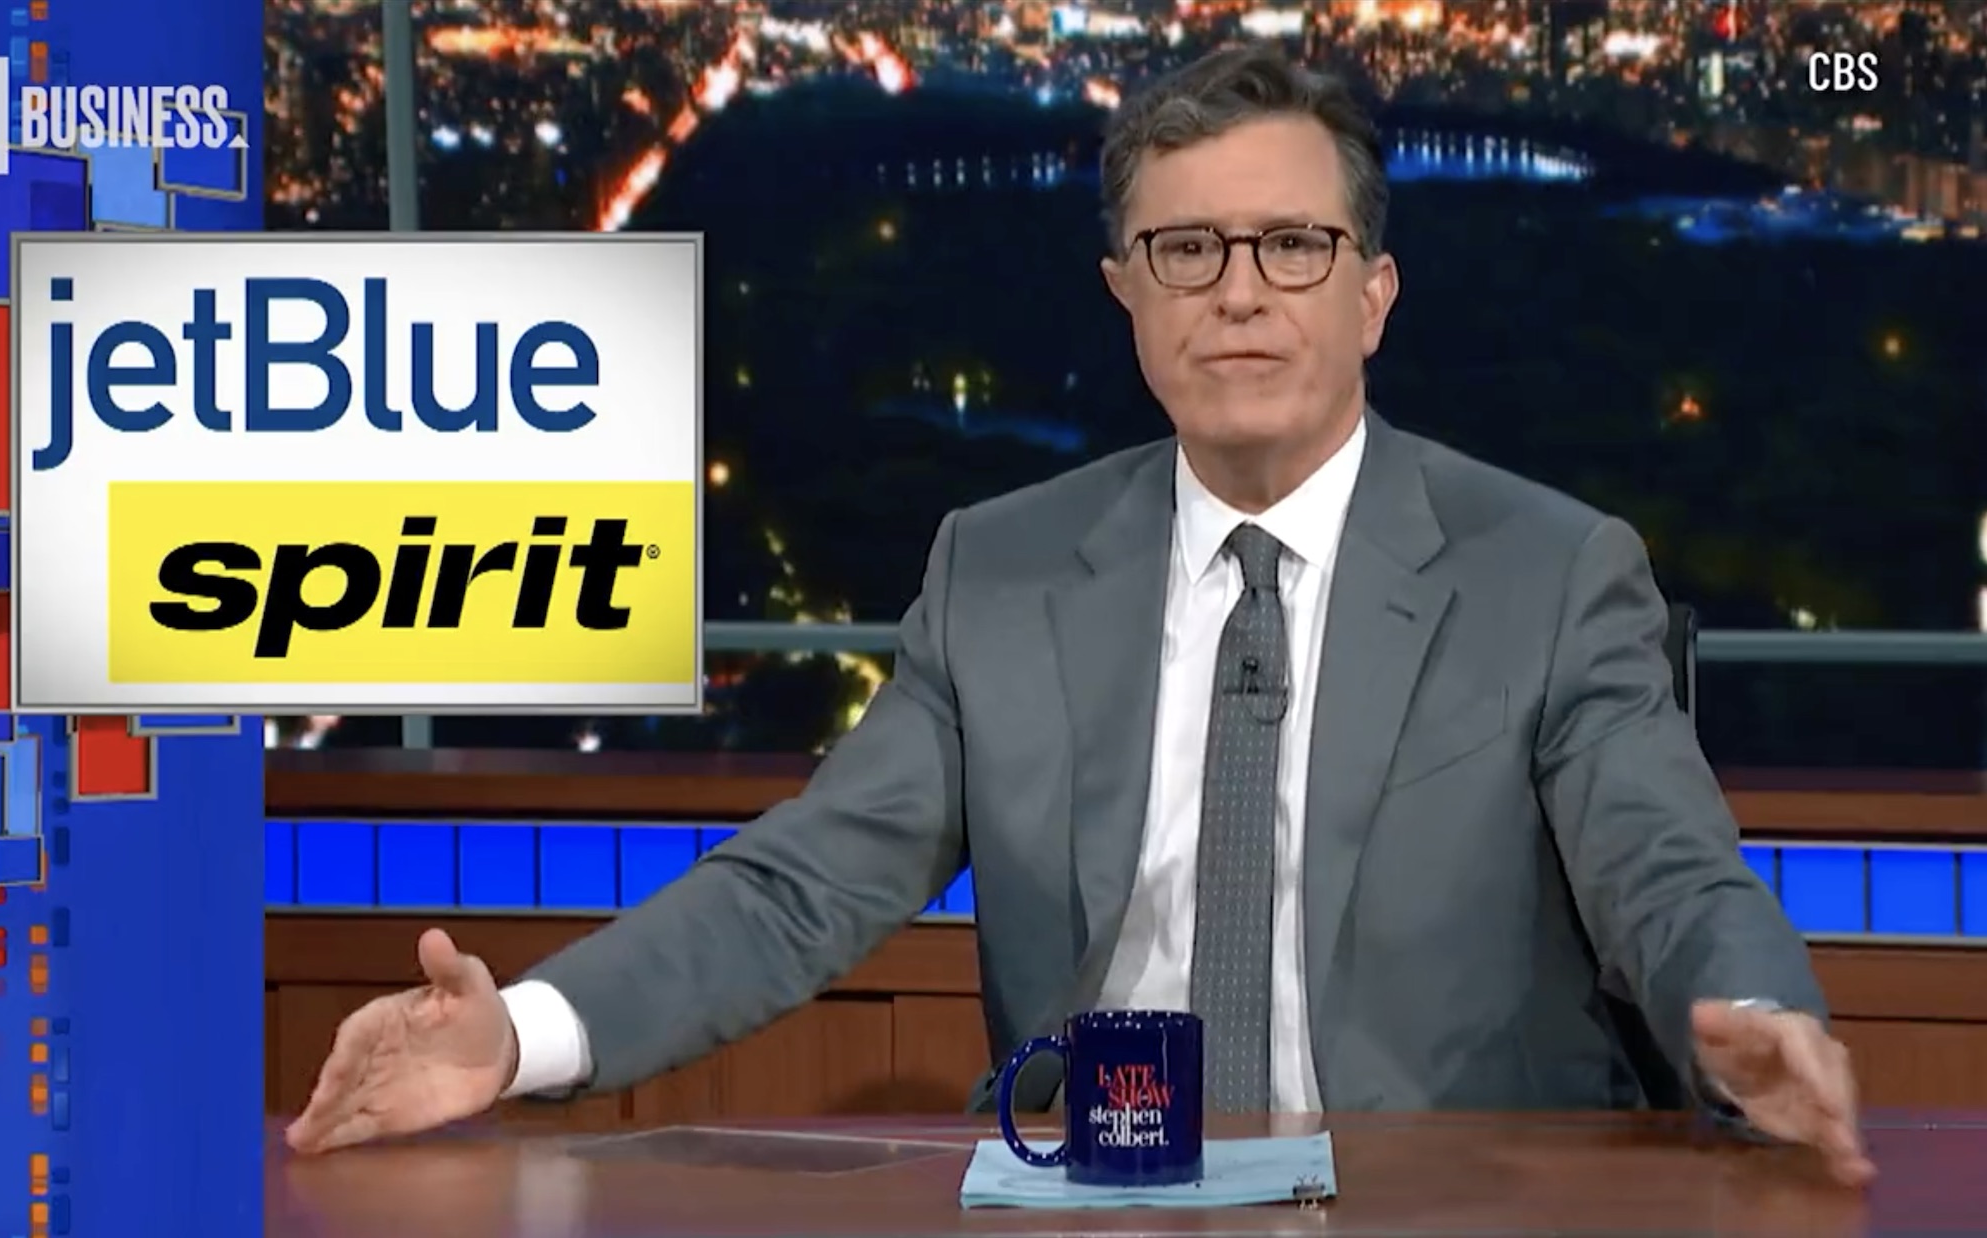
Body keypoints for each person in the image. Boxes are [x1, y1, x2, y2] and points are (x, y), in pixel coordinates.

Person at [285, 46, 1871, 1185]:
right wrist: (520, 1036)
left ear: (1372, 294)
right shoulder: (1003, 568)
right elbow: (797, 889)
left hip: (1442, 1201)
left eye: (1293, 247)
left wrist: (1759, 1019)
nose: (1238, 289)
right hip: (1089, 1198)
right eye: (1187, 249)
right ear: (1128, 292)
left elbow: (1669, 871)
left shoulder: (1551, 571)